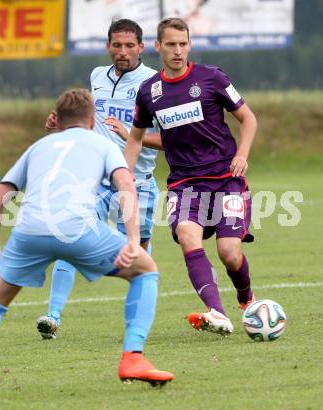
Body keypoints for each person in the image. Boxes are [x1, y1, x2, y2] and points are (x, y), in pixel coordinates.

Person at [0, 89, 174, 404]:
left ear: (57, 120)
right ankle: (132, 357)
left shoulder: (38, 147)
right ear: (92, 119)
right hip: (77, 230)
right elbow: (126, 185)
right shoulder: (102, 144)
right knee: (145, 271)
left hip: (29, 233)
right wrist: (134, 241)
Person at [125, 18, 258, 335]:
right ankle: (218, 313)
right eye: (170, 44)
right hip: (185, 185)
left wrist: (242, 154)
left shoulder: (211, 78)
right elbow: (135, 137)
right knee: (187, 236)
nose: (177, 50)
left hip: (226, 180)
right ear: (158, 46)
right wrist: (123, 176)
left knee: (229, 253)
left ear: (189, 45)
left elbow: (248, 118)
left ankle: (246, 298)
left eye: (183, 44)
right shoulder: (149, 92)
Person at [37, 19, 162, 340]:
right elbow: (90, 124)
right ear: (108, 46)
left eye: (129, 45)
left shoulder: (155, 84)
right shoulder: (97, 77)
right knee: (69, 240)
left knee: (138, 260)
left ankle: (136, 334)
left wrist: (133, 135)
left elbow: (172, 139)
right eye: (116, 45)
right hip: (96, 179)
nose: (122, 52)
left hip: (139, 183)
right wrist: (64, 123)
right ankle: (52, 316)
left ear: (141, 47)